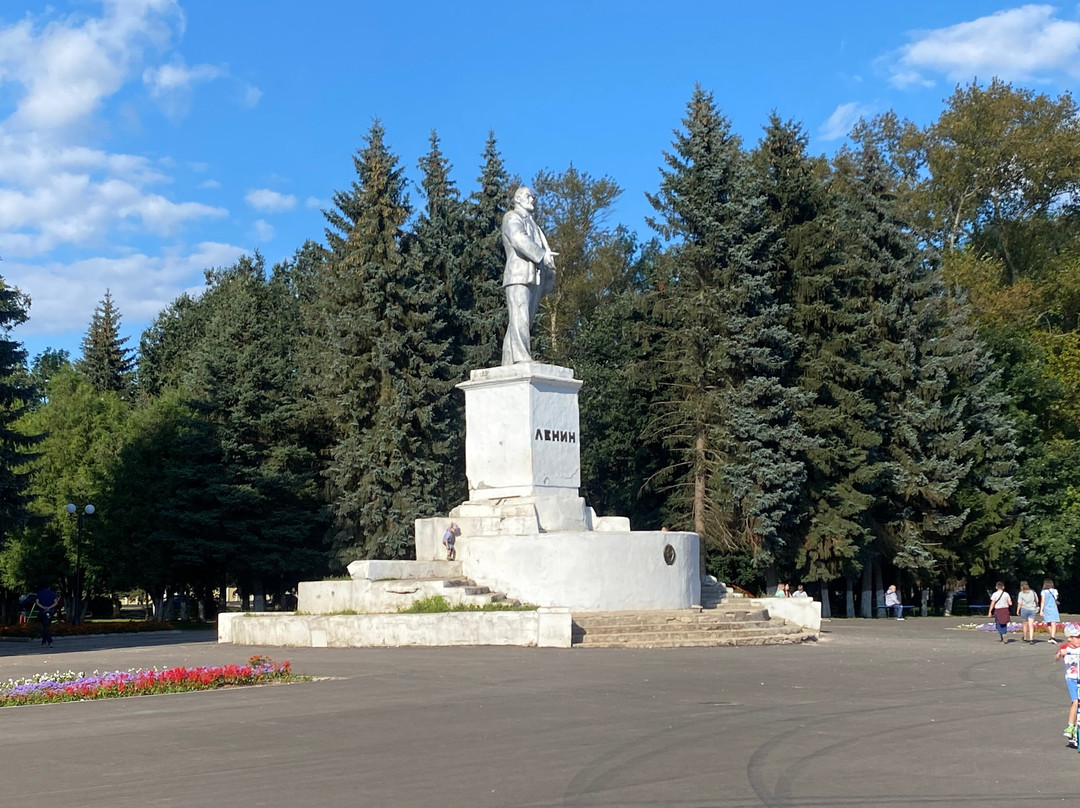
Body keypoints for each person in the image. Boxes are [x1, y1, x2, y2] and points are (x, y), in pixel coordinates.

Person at [501, 186, 557, 365]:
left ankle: (508, 361)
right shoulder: (512, 217)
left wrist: (550, 275)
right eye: (528, 196)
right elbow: (518, 239)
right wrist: (541, 255)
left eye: (533, 197)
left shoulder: (535, 225)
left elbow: (544, 249)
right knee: (520, 318)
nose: (532, 199)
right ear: (517, 199)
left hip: (534, 277)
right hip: (518, 275)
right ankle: (521, 358)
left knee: (523, 321)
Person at [1053, 625, 1080, 747]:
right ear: (1069, 638)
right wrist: (1060, 653)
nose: (1079, 640)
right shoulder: (1065, 647)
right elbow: (1056, 657)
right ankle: (1070, 726)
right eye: (1076, 637)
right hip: (1072, 679)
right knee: (1075, 702)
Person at [34, 583, 59, 649]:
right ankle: (49, 642)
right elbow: (56, 602)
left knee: (45, 627)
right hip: (50, 612)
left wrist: (43, 607)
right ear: (49, 587)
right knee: (47, 627)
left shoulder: (39, 593)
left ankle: (44, 642)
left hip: (42, 612)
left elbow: (37, 602)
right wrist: (49, 607)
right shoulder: (52, 593)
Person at [1041, 578, 1061, 643]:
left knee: (1048, 622)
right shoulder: (1055, 591)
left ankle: (1051, 636)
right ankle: (1053, 637)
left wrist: (1041, 610)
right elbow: (1056, 598)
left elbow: (1042, 601)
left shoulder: (1043, 592)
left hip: (1046, 608)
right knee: (1053, 623)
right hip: (1053, 608)